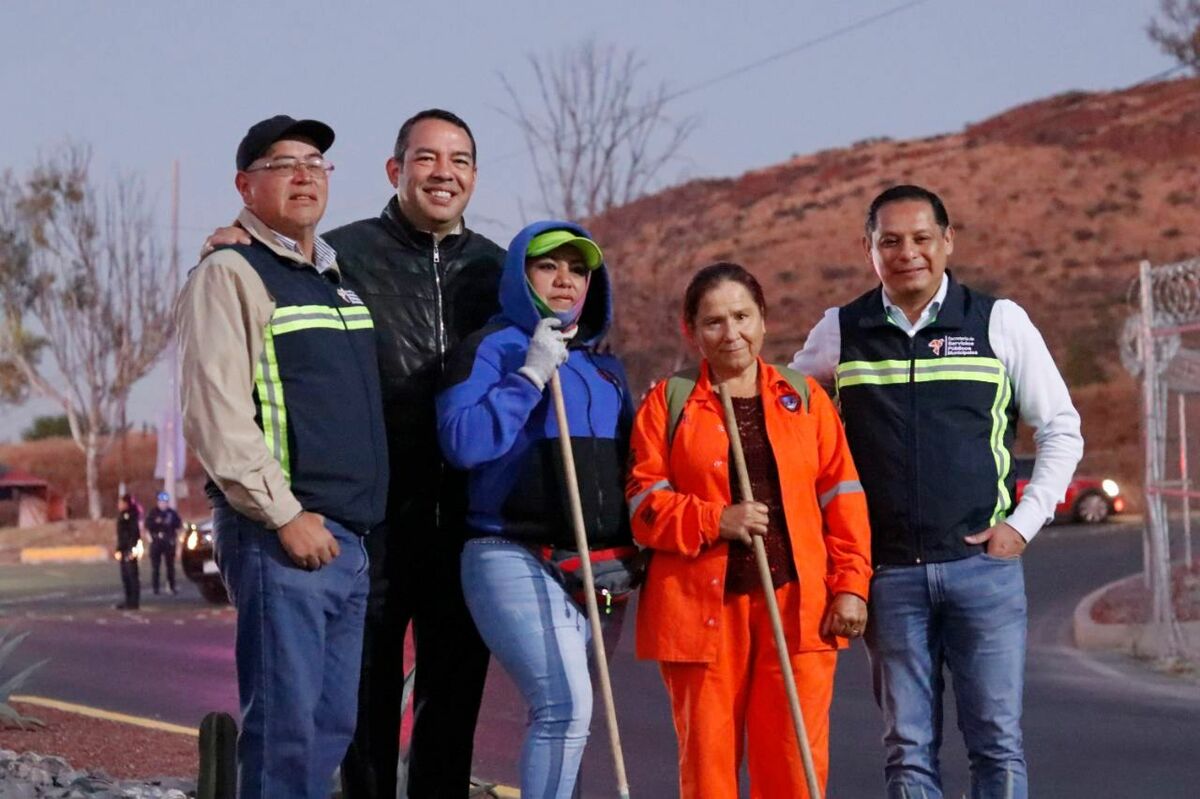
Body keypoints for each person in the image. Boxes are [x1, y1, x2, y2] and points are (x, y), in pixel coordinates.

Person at [204, 109, 503, 799]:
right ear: (396, 171)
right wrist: (231, 242)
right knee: (350, 710)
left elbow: (565, 306)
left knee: (452, 702)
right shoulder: (342, 257)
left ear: (475, 176)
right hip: (368, 520)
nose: (443, 173)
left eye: (459, 160)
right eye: (427, 158)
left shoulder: (496, 269)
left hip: (464, 519)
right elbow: (266, 271)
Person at [791, 184, 1084, 799]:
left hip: (984, 570)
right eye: (889, 241)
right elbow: (787, 417)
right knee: (907, 750)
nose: (907, 253)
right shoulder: (841, 331)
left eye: (922, 238)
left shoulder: (999, 321)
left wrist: (1023, 524)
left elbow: (1060, 427)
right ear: (868, 249)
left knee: (997, 743)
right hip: (888, 575)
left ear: (948, 242)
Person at [177, 114, 388, 799]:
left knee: (330, 726)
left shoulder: (336, 277)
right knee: (286, 734)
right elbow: (217, 413)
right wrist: (286, 514)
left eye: (317, 163)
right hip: (284, 536)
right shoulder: (231, 273)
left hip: (347, 541)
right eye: (283, 164)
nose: (305, 175)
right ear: (246, 184)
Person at [626, 262, 872, 799]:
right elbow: (642, 508)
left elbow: (843, 498)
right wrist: (716, 519)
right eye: (713, 321)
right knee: (709, 774)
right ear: (690, 331)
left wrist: (852, 586)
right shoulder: (667, 403)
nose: (730, 333)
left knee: (794, 766)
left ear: (763, 320)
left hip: (797, 608)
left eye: (742, 316)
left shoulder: (805, 399)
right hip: (700, 615)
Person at [437, 221, 634, 798]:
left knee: (572, 718)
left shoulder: (604, 369)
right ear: (521, 274)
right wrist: (530, 373)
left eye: (578, 269)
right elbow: (463, 442)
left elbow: (628, 470)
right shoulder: (491, 349)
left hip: (599, 567)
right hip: (509, 550)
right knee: (565, 709)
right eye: (548, 266)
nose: (565, 279)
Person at [145, 491, 182, 594]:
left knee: (170, 566)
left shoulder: (171, 513)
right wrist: (157, 522)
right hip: (156, 541)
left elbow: (178, 524)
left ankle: (172, 586)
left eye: (165, 502)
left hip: (168, 541)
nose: (163, 504)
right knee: (155, 566)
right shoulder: (153, 513)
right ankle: (155, 588)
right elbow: (148, 525)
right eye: (161, 502)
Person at [114, 493, 142, 610]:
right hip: (124, 548)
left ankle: (133, 601)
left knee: (132, 575)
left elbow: (134, 534)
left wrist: (131, 549)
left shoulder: (131, 516)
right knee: (125, 576)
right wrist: (119, 548)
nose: (118, 505)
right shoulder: (122, 515)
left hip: (129, 549)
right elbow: (121, 535)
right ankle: (128, 600)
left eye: (121, 503)